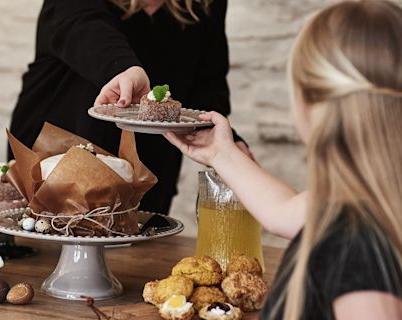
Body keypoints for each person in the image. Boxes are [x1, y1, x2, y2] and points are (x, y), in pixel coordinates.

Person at [163, 1, 402, 318]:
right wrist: (221, 152)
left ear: (312, 103)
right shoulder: (369, 201)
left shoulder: (357, 248)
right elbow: (282, 212)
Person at [9, 0, 251, 214]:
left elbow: (207, 87)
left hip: (146, 171)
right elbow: (81, 24)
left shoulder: (205, 4)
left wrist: (228, 143)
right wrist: (123, 70)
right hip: (54, 159)